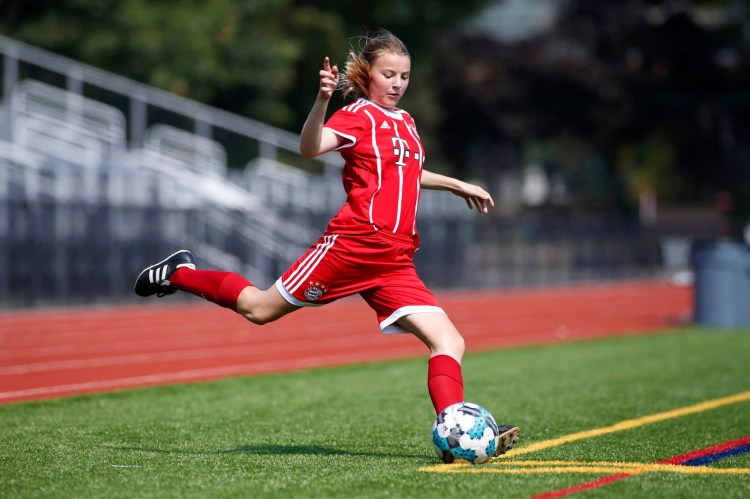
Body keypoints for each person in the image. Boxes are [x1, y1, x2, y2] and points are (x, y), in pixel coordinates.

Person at [135, 28, 519, 455]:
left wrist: (456, 184)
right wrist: (321, 100)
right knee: (258, 309)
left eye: (404, 76)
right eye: (388, 74)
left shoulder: (406, 123)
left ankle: (456, 432)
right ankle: (181, 272)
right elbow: (310, 147)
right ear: (367, 74)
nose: (397, 83)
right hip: (352, 246)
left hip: (394, 260)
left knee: (449, 341)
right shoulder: (357, 114)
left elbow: (404, 173)